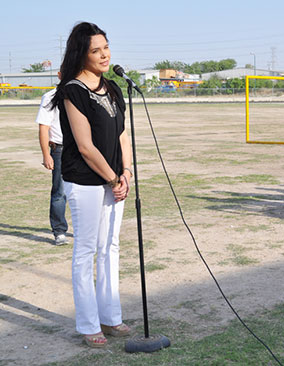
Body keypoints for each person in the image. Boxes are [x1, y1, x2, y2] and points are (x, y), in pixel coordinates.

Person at [51, 22, 132, 348]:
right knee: (85, 251)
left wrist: (126, 172)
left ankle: (111, 317)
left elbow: (122, 133)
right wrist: (112, 178)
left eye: (106, 47)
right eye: (95, 50)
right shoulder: (72, 91)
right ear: (81, 55)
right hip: (85, 182)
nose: (104, 54)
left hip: (116, 181)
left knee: (109, 248)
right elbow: (85, 146)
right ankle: (88, 325)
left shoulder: (113, 87)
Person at [36, 78, 69, 245]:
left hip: (81, 149)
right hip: (60, 149)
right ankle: (59, 231)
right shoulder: (50, 97)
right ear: (59, 74)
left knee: (84, 190)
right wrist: (46, 155)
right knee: (60, 192)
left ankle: (84, 229)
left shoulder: (80, 93)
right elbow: (43, 127)